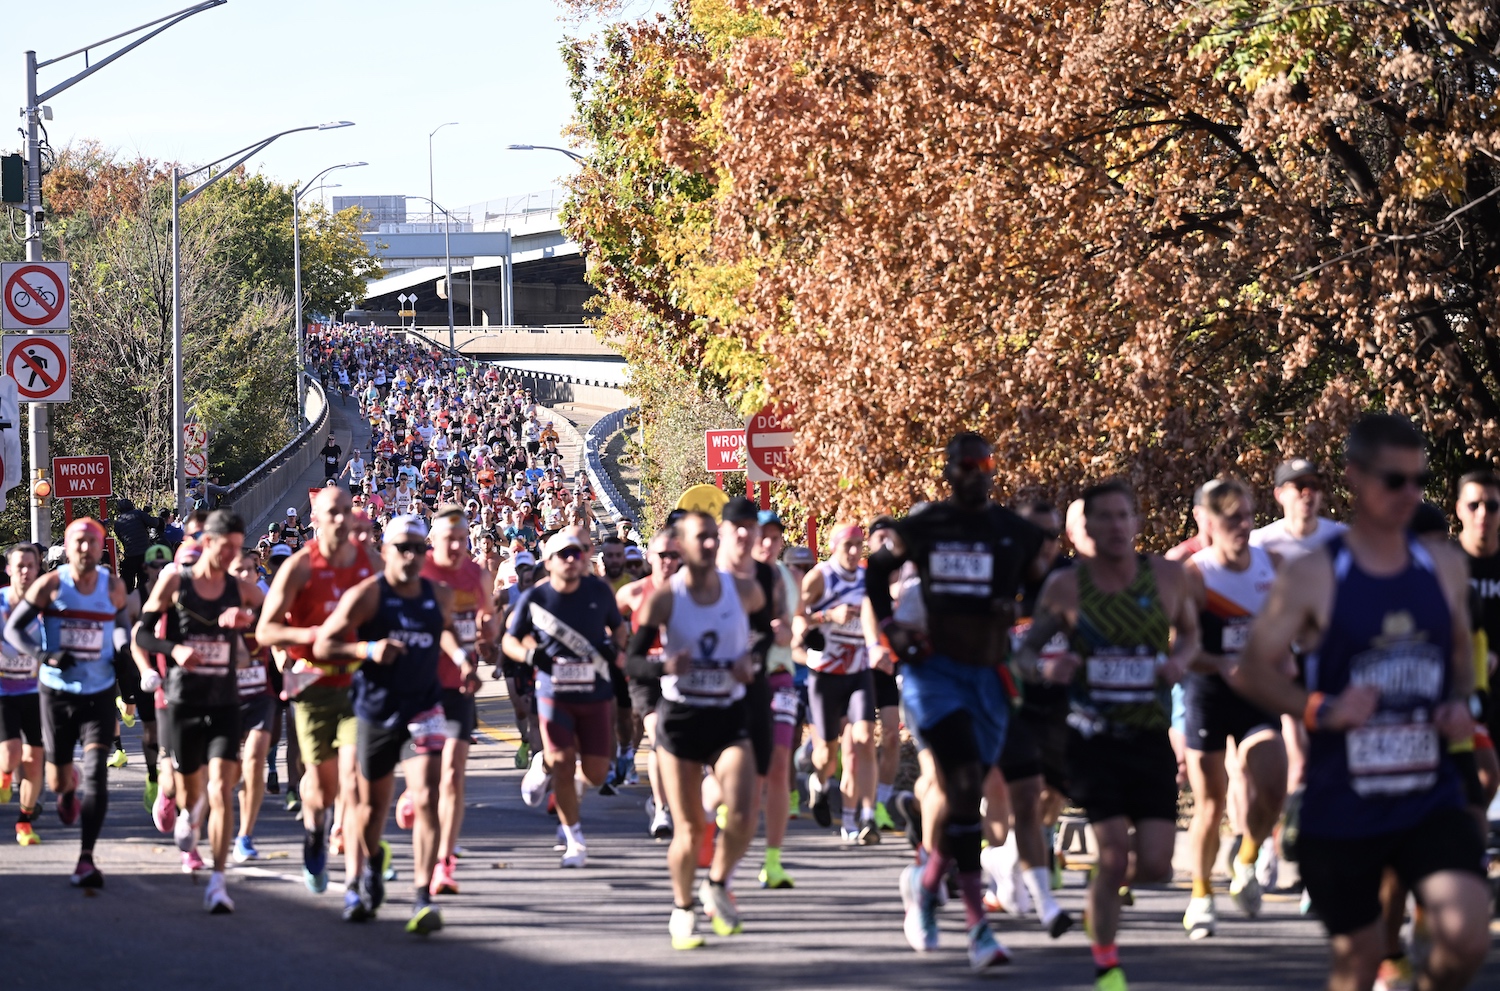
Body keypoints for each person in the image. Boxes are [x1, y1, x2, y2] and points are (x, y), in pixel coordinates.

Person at [1237, 414, 1491, 991]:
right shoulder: (1314, 575)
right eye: (1393, 481)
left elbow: (1457, 656)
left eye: (1418, 481)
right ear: (1354, 477)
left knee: (1467, 934)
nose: (1409, 496)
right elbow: (1252, 670)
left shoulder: (1445, 566)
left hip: (1427, 790)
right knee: (1359, 959)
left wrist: (1458, 702)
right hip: (1344, 798)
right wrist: (1319, 709)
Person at [865, 433, 1048, 972]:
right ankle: (978, 928)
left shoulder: (1013, 533)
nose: (977, 473)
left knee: (966, 796)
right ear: (949, 472)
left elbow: (1046, 588)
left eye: (985, 464)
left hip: (989, 677)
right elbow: (876, 571)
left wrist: (1024, 626)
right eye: (966, 466)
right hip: (934, 675)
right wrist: (893, 631)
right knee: (964, 782)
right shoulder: (926, 526)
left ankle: (926, 884)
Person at [1016, 479, 1199, 991]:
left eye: (1125, 516)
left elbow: (1190, 632)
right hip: (1092, 738)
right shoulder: (1067, 587)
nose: (1117, 526)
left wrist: (1179, 662)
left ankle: (1102, 885)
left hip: (1148, 737)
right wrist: (1051, 668)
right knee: (1115, 852)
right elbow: (1026, 653)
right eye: (1106, 518)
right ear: (1087, 530)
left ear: (1136, 523)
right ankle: (1106, 966)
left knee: (1158, 865)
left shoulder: (1165, 577)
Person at [315, 514, 475, 934]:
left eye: (418, 548)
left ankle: (422, 895)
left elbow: (441, 631)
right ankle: (366, 872)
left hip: (424, 707)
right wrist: (367, 649)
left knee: (426, 796)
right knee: (371, 808)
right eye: (402, 547)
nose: (410, 556)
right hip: (376, 709)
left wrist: (461, 659)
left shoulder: (439, 594)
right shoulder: (368, 595)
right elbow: (323, 643)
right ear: (385, 551)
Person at [625, 511, 765, 949]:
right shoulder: (665, 598)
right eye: (699, 538)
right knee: (688, 830)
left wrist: (751, 661)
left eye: (712, 537)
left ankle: (717, 883)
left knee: (743, 813)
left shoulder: (744, 589)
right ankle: (683, 909)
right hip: (682, 717)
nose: (707, 545)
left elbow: (765, 634)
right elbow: (630, 662)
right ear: (682, 546)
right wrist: (664, 665)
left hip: (727, 713)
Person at [135, 510, 263, 913]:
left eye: (236, 550)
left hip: (225, 699)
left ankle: (219, 882)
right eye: (225, 549)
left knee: (222, 788)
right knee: (193, 792)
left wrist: (249, 620)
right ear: (207, 542)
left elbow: (276, 616)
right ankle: (189, 818)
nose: (230, 557)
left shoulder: (239, 587)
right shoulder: (176, 580)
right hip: (184, 698)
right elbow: (141, 633)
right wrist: (174, 650)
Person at [255, 487, 377, 894]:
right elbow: (266, 629)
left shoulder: (369, 562)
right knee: (321, 787)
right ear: (315, 519)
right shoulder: (300, 567)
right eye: (332, 513)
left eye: (347, 511)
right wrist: (310, 635)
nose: (342, 520)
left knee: (357, 777)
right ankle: (314, 829)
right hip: (313, 682)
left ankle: (358, 881)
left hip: (358, 682)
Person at [1180, 479, 1287, 939]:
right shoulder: (1194, 574)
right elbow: (1180, 649)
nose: (1242, 526)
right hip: (1207, 691)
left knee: (1275, 783)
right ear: (1207, 523)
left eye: (1247, 515)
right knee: (1210, 803)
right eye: (1231, 519)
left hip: (1255, 692)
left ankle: (1246, 862)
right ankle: (1201, 896)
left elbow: (1289, 628)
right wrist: (1220, 662)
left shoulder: (1273, 564)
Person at [3, 518, 129, 888]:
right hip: (57, 694)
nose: (86, 548)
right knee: (57, 780)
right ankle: (66, 790)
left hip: (99, 691)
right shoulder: (52, 584)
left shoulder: (114, 586)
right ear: (68, 547)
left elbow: (120, 623)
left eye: (93, 542)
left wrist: (121, 648)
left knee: (97, 772)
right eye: (79, 542)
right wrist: (45, 655)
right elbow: (13, 628)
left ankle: (86, 859)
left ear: (101, 545)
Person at [502, 531, 624, 868]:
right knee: (564, 763)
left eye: (578, 553)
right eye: (565, 554)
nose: (572, 560)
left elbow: (619, 628)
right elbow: (510, 642)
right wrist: (530, 656)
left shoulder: (599, 591)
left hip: (595, 693)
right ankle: (574, 838)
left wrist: (614, 647)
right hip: (554, 694)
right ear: (550, 562)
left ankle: (544, 764)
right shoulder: (536, 598)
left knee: (598, 772)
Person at [418, 507, 493, 896]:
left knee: (452, 774)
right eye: (449, 539)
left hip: (460, 686)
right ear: (433, 539)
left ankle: (444, 862)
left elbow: (488, 629)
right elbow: (437, 628)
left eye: (462, 538)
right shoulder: (423, 573)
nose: (456, 546)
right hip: (422, 685)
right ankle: (417, 802)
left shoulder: (477, 575)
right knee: (428, 781)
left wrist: (485, 633)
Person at [800, 523, 880, 843]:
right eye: (847, 544)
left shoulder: (865, 578)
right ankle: (818, 784)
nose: (853, 551)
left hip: (858, 671)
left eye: (858, 544)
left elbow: (873, 617)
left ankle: (867, 817)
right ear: (834, 546)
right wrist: (827, 616)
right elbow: (797, 618)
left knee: (863, 740)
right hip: (825, 674)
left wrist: (875, 649)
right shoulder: (820, 576)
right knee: (827, 755)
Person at [617, 530, 682, 839]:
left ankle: (672, 800)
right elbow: (609, 621)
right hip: (646, 675)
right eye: (662, 555)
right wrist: (617, 654)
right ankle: (661, 809)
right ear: (649, 557)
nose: (668, 561)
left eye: (674, 555)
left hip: (681, 674)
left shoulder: (689, 592)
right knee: (658, 733)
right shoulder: (634, 592)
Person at [1454, 470, 1500, 807]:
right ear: (1459, 509)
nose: (1483, 513)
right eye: (1474, 504)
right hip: (1461, 694)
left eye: (1492, 505)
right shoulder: (1446, 565)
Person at [0, 543, 44, 846]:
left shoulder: (47, 606)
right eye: (20, 566)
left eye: (31, 565)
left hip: (36, 691)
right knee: (12, 753)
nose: (26, 572)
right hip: (3, 689)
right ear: (9, 570)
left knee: (33, 761)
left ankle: (24, 824)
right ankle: (4, 776)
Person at [1250, 458, 1346, 560]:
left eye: (1314, 485)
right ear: (1279, 494)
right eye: (1300, 486)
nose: (1307, 492)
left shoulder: (1344, 540)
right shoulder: (1259, 544)